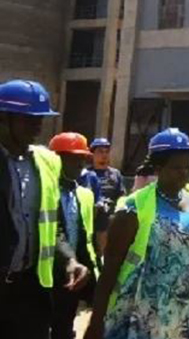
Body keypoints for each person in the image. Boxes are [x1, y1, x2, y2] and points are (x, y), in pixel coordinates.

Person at [84, 128, 189, 339]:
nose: (185, 173)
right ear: (158, 168)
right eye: (176, 168)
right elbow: (111, 268)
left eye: (188, 166)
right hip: (148, 311)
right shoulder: (134, 208)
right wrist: (96, 322)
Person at [0, 79, 90, 339]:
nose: (38, 125)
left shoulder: (47, 162)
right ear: (4, 119)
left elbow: (54, 226)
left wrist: (70, 260)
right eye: (29, 119)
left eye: (41, 118)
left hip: (31, 289)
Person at [48, 133, 101, 339]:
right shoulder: (45, 190)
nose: (80, 163)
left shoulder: (85, 195)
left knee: (64, 326)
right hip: (46, 271)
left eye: (82, 158)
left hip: (72, 274)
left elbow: (88, 237)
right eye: (72, 158)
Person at [79, 138, 126, 255]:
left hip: (110, 216)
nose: (104, 155)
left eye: (106, 152)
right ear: (93, 154)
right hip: (91, 215)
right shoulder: (86, 174)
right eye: (100, 151)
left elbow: (122, 195)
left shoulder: (115, 174)